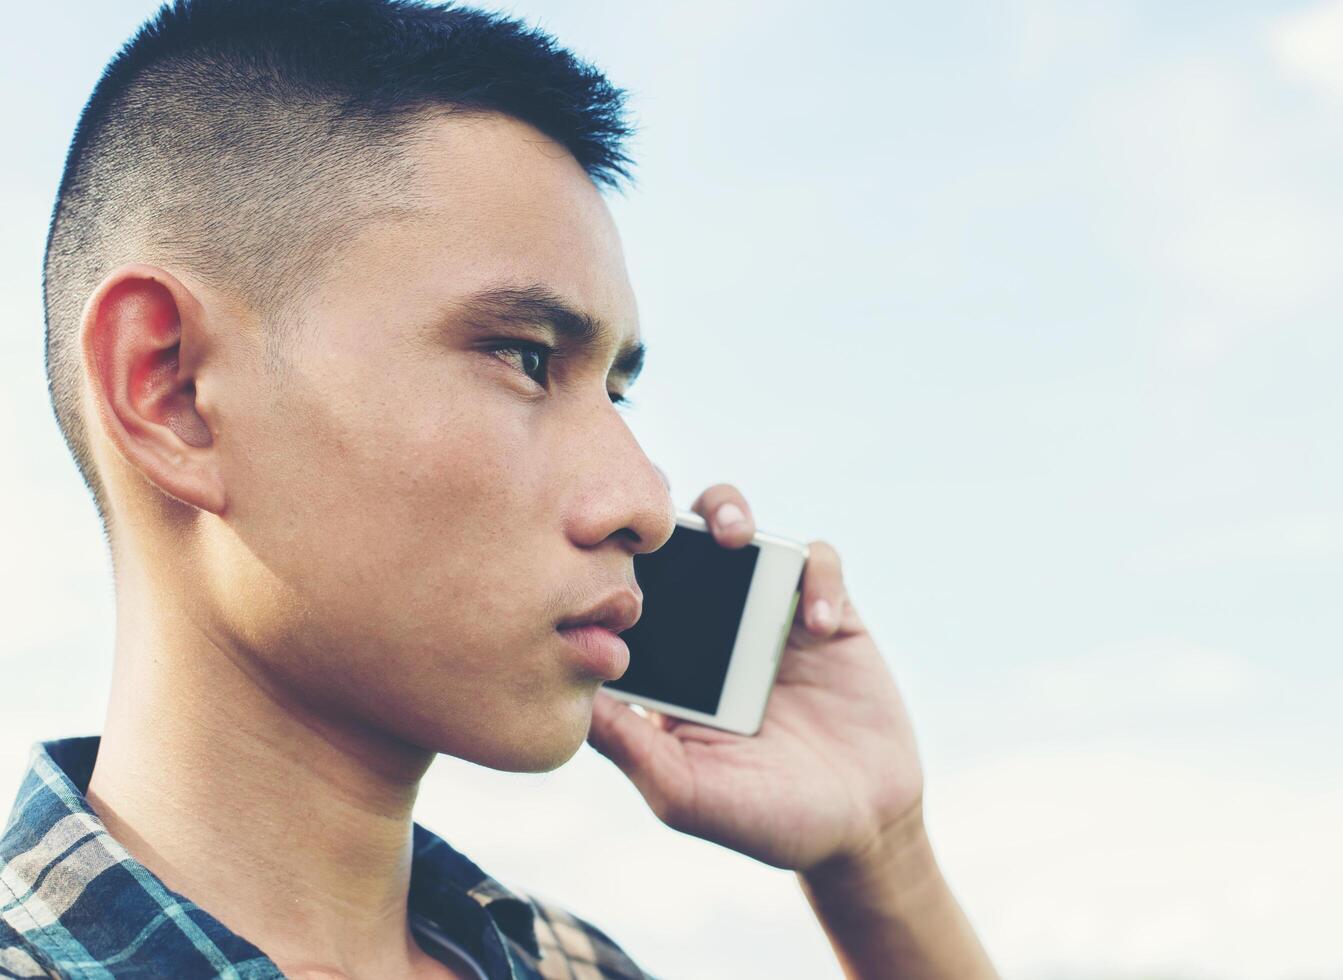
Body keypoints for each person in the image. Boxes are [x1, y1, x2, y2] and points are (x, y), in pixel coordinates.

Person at [0, 1, 997, 977]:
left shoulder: (581, 964)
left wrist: (880, 856)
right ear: (170, 386)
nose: (647, 501)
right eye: (525, 358)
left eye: (615, 387)